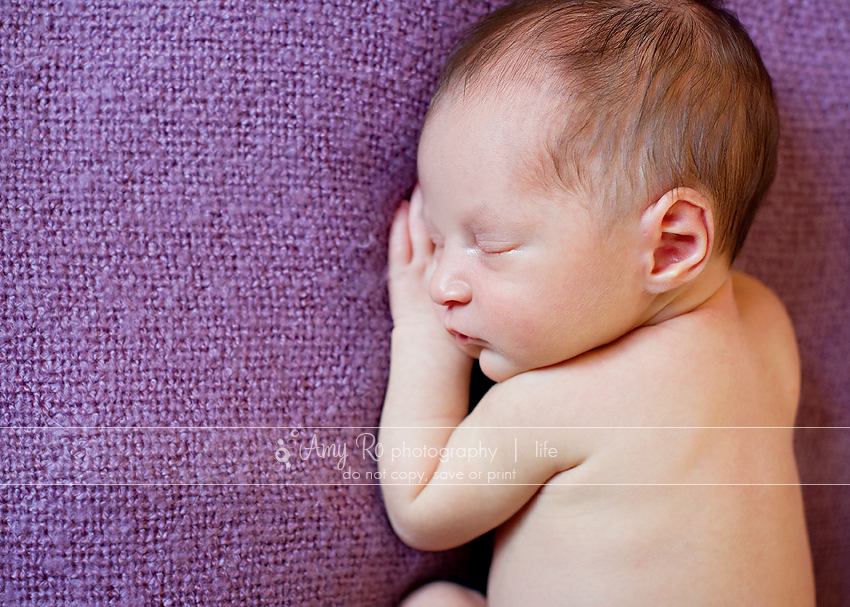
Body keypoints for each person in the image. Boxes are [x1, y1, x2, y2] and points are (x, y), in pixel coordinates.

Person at [378, 0, 815, 604]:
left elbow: (420, 508)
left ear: (671, 247)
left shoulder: (559, 403)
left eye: (492, 245)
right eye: (436, 240)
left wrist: (424, 338)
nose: (440, 282)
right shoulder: (767, 326)